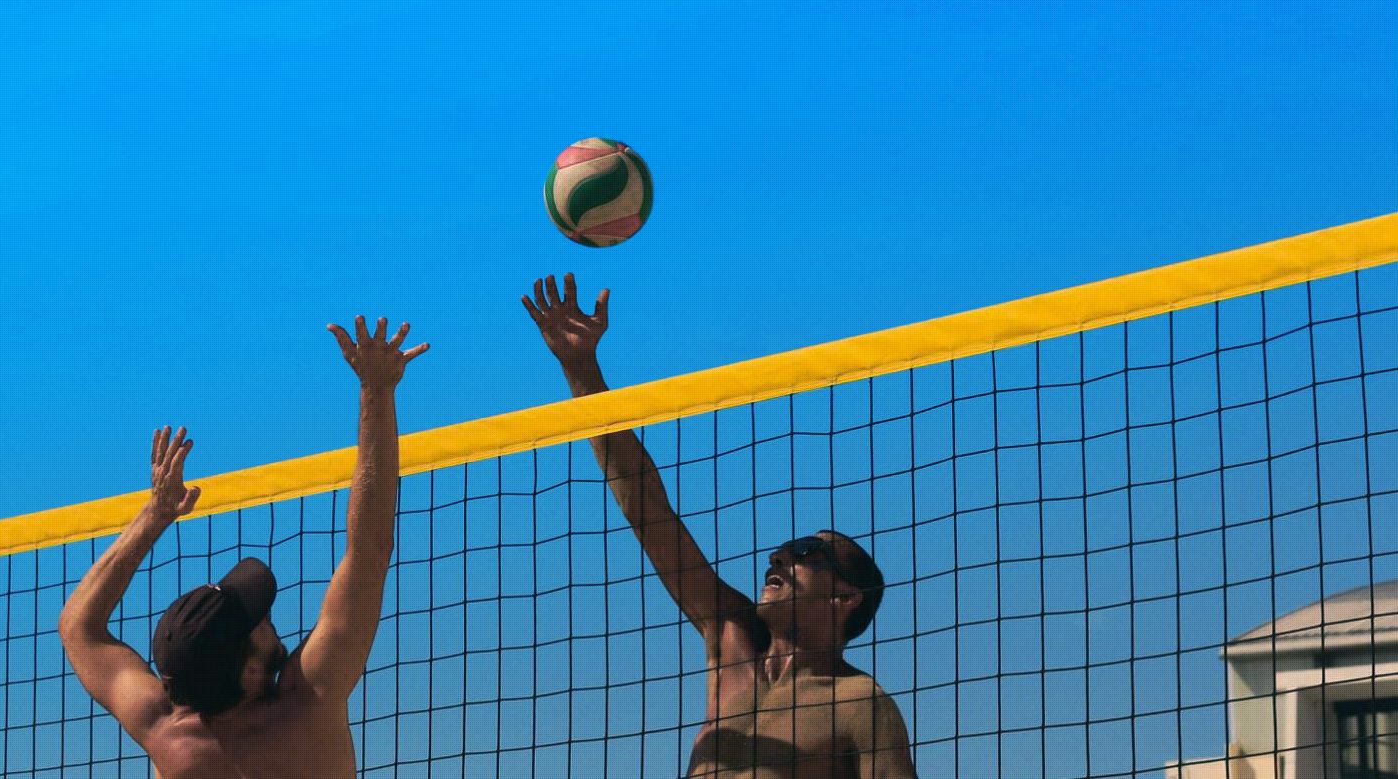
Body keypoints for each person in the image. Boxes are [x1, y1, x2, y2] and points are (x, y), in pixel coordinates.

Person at [524, 275, 916, 779]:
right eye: (780, 551)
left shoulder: (861, 703)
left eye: (805, 552)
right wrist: (581, 370)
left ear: (846, 596)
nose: (779, 558)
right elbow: (649, 513)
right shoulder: (730, 636)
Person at [58, 315, 428, 779]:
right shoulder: (305, 703)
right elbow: (371, 549)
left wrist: (154, 514)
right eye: (256, 622)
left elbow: (78, 627)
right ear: (245, 668)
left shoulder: (165, 734)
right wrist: (377, 390)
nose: (268, 618)